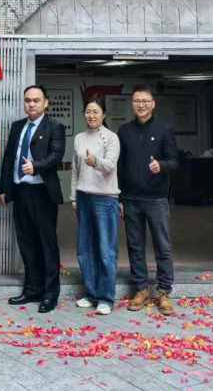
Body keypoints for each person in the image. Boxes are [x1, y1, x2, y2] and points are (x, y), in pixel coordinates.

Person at [0, 84, 65, 313]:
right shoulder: (18, 126)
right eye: (28, 100)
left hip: (42, 193)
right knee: (26, 244)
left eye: (36, 100)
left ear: (46, 103)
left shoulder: (55, 126)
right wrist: (4, 188)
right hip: (20, 191)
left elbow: (56, 156)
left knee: (47, 244)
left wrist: (36, 166)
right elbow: (9, 158)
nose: (31, 104)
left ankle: (50, 293)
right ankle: (32, 289)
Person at [117, 84, 179, 316]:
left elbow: (175, 161)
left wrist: (161, 165)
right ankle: (141, 289)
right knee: (135, 246)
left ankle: (164, 292)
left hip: (156, 199)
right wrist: (119, 197)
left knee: (162, 246)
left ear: (153, 104)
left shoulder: (164, 129)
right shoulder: (124, 131)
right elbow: (120, 167)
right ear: (132, 104)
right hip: (130, 199)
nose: (141, 105)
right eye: (137, 101)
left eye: (145, 101)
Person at [71, 98, 120, 316]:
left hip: (105, 198)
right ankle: (91, 293)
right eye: (88, 111)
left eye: (96, 112)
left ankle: (106, 298)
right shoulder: (79, 138)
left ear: (104, 115)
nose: (91, 115)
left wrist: (95, 162)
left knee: (105, 250)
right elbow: (75, 169)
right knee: (84, 250)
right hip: (83, 197)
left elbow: (110, 166)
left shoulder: (111, 138)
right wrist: (73, 196)